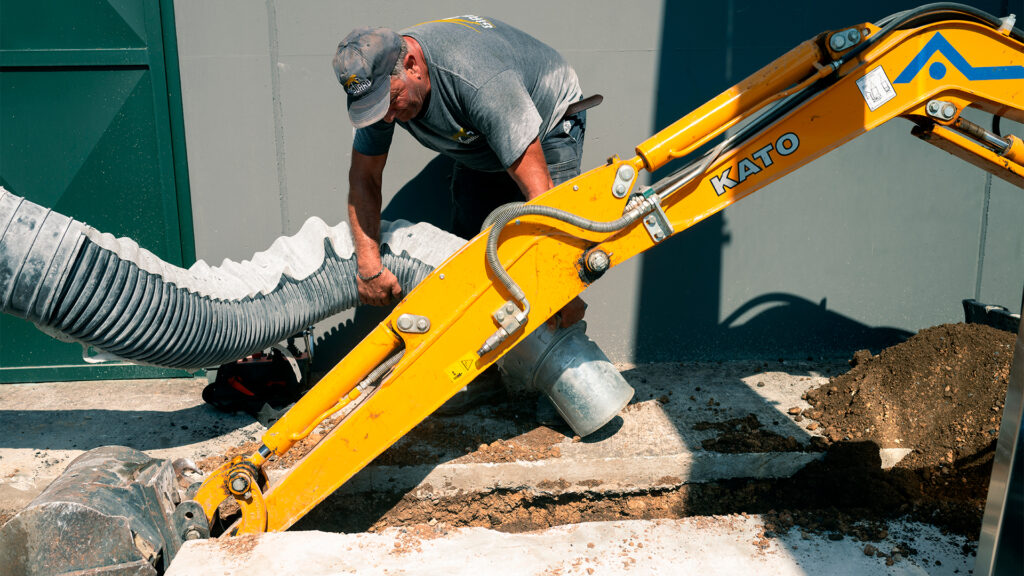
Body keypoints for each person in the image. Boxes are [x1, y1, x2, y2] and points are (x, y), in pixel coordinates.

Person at [333, 15, 591, 326]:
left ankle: (565, 360)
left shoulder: (476, 78)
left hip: (546, 119)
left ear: (412, 65)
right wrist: (369, 266)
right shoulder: (382, 84)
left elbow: (541, 193)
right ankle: (488, 368)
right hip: (482, 137)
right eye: (375, 108)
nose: (386, 119)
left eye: (391, 101)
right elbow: (365, 177)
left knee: (546, 284)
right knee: (471, 262)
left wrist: (559, 285)